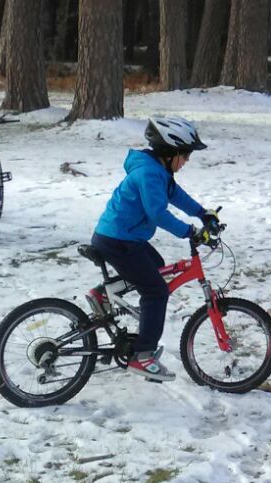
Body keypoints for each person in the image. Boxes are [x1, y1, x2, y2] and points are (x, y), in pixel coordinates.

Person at [90, 115, 215, 382]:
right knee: (156, 291)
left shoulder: (157, 170)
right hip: (119, 240)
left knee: (156, 268)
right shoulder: (149, 173)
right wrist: (190, 231)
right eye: (186, 154)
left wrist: (202, 213)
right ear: (171, 153)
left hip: (122, 237)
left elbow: (175, 194)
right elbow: (157, 213)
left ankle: (103, 294)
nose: (187, 160)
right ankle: (143, 355)